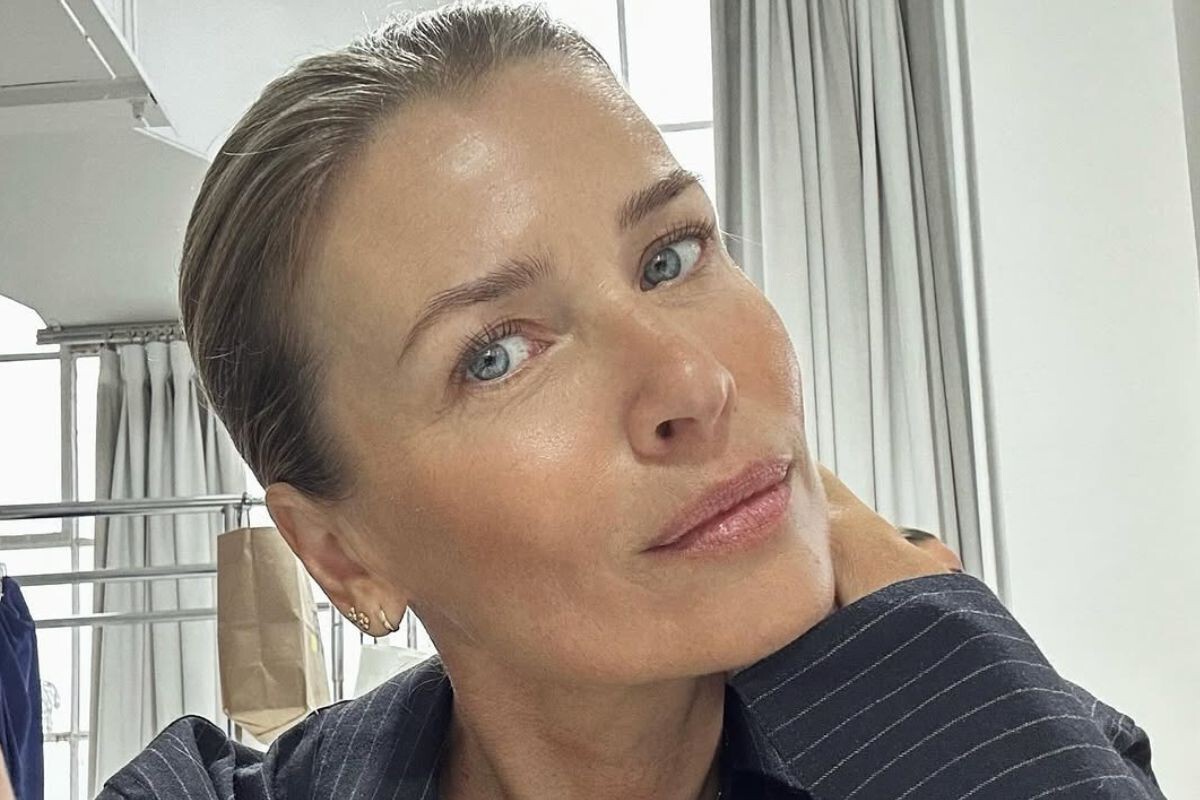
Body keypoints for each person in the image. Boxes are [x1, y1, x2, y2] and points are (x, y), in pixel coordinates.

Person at [96, 4, 1164, 798]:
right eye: (497, 355)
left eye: (670, 256)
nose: (695, 382)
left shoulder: (992, 731)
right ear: (340, 553)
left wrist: (931, 685)